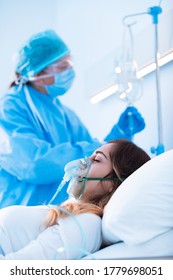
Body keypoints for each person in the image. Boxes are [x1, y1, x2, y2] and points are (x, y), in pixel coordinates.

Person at [0, 29, 145, 208]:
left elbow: (91, 159)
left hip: (65, 210)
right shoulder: (9, 107)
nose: (69, 71)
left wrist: (119, 135)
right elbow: (33, 164)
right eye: (62, 67)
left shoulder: (65, 113)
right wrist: (97, 149)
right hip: (22, 210)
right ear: (37, 74)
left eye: (70, 64)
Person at [0, 139, 150, 260]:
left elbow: (16, 270)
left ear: (113, 183)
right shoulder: (72, 215)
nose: (83, 162)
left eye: (96, 159)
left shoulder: (87, 223)